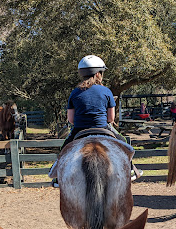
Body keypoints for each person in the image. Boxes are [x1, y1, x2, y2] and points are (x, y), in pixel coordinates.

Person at [48, 55, 143, 187]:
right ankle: (131, 169)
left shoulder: (74, 93)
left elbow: (71, 119)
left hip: (79, 130)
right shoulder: (106, 91)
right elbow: (110, 118)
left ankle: (58, 176)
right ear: (98, 73)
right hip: (103, 128)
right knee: (123, 142)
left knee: (64, 148)